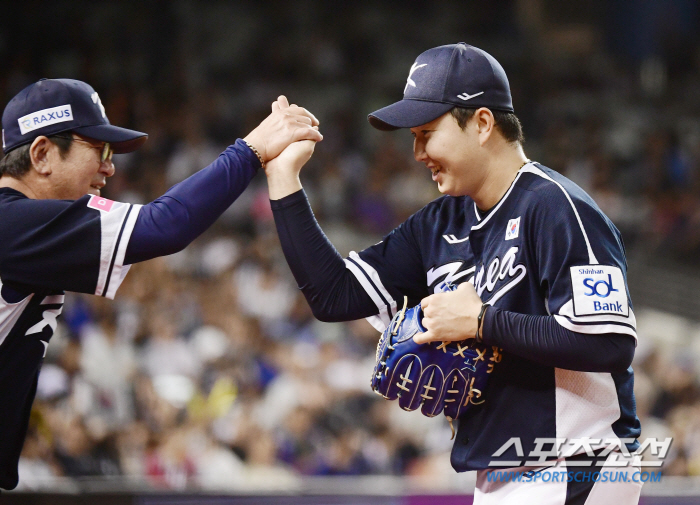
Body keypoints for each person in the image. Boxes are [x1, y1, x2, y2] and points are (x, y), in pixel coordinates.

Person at [264, 43, 643, 504]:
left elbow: (611, 342)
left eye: (427, 132)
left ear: (482, 124)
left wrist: (483, 322)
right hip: (501, 471)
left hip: (576, 464)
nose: (418, 151)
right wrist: (284, 178)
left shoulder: (556, 207)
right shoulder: (439, 222)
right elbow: (334, 296)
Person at [0, 78, 322, 490]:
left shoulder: (23, 227)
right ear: (42, 154)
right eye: (98, 150)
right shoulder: (16, 224)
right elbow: (165, 225)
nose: (110, 167)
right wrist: (252, 150)